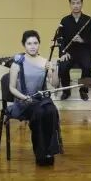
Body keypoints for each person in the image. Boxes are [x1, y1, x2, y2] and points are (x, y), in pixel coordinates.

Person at [9, 30, 63, 166]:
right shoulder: (17, 62)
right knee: (40, 112)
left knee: (51, 111)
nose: (32, 46)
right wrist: (24, 97)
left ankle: (50, 151)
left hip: (41, 100)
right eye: (29, 43)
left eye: (35, 43)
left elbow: (55, 84)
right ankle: (41, 153)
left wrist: (53, 69)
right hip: (24, 102)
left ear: (39, 44)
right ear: (24, 45)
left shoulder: (45, 62)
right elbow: (12, 88)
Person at [58, 0, 91, 100]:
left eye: (78, 3)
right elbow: (60, 39)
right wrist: (63, 53)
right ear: (70, 4)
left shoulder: (88, 20)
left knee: (87, 65)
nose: (76, 6)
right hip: (69, 52)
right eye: (73, 3)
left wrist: (83, 40)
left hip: (85, 51)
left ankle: (83, 90)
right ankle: (66, 91)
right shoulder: (64, 20)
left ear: (82, 4)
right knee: (63, 66)